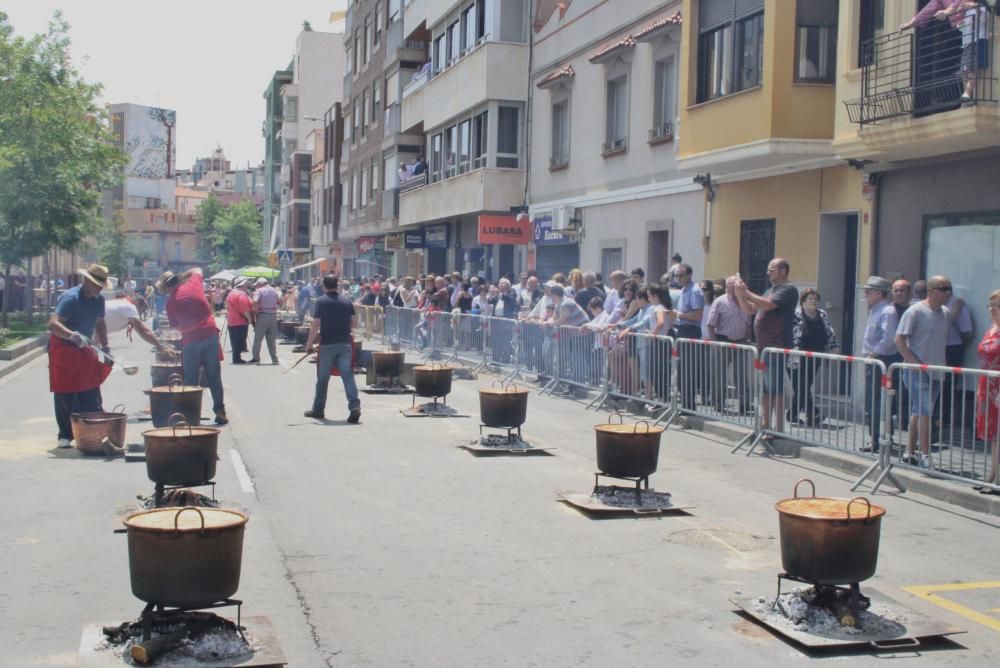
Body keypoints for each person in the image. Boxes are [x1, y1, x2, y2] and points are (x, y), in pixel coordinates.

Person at [47, 264, 113, 448]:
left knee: (90, 385)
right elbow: (53, 324)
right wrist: (71, 335)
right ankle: (65, 434)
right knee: (65, 391)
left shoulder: (99, 299)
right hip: (63, 347)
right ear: (85, 280)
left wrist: (106, 347)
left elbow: (100, 323)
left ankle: (91, 429)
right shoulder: (70, 299)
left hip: (84, 347)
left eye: (101, 285)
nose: (98, 288)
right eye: (95, 284)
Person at [736, 258, 798, 436]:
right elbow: (750, 309)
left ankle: (777, 429)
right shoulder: (769, 290)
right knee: (765, 387)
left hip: (777, 345)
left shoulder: (788, 289)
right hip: (764, 347)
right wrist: (740, 294)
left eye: (772, 269)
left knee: (776, 388)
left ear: (783, 271)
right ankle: (764, 425)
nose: (768, 273)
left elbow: (768, 305)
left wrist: (746, 292)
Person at [157, 268, 228, 425]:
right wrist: (183, 275)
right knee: (214, 376)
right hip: (210, 336)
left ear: (168, 287)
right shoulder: (194, 282)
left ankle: (191, 415)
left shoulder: (171, 302)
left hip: (191, 341)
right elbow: (197, 269)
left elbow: (176, 327)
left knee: (191, 379)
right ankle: (220, 411)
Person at [896, 275, 953, 468]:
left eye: (949, 288)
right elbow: (900, 340)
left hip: (937, 369)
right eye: (943, 288)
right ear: (931, 291)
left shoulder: (945, 312)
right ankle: (925, 454)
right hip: (917, 370)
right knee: (925, 411)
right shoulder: (915, 311)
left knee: (918, 411)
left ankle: (908, 452)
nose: (948, 292)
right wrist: (913, 364)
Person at [304, 276, 361, 423]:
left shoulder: (321, 301)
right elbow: (355, 323)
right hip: (345, 344)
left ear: (324, 286)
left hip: (327, 345)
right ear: (337, 285)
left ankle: (318, 410)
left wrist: (309, 345)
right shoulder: (346, 301)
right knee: (347, 376)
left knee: (323, 379)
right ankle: (355, 407)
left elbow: (316, 324)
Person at [861, 276, 900, 452]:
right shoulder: (875, 310)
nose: (865, 294)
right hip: (875, 360)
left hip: (881, 360)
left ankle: (880, 438)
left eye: (868, 291)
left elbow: (888, 338)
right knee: (872, 401)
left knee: (877, 401)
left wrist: (874, 353)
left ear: (879, 293)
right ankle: (876, 437)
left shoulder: (887, 311)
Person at [790, 289, 839, 427]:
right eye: (810, 299)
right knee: (801, 386)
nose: (814, 301)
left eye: (815, 299)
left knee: (804, 386)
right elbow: (791, 335)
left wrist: (834, 347)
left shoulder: (822, 314)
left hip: (815, 355)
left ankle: (798, 415)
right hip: (796, 357)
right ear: (803, 301)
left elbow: (830, 332)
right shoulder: (796, 314)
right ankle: (811, 414)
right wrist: (795, 350)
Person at [707, 276, 754, 414]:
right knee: (719, 375)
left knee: (741, 374)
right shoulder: (719, 302)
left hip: (741, 342)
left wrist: (748, 339)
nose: (734, 289)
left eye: (736, 286)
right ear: (726, 287)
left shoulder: (745, 301)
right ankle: (718, 403)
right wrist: (714, 342)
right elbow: (710, 324)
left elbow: (749, 322)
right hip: (723, 341)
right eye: (731, 286)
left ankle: (744, 404)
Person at [975, 289, 1000, 493]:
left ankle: (996, 478)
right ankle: (993, 474)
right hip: (987, 383)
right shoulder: (992, 328)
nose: (992, 309)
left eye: (997, 306)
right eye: (990, 305)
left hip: (998, 386)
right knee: (993, 434)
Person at [672, 263, 704, 410]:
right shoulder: (684, 290)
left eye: (681, 275)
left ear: (689, 275)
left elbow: (697, 315)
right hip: (682, 329)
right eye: (676, 275)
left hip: (690, 330)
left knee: (688, 369)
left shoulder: (695, 291)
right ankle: (685, 404)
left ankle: (689, 406)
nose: (678, 278)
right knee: (682, 369)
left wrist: (679, 314)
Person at [250, 277, 280, 365]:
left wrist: (256, 310)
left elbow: (255, 301)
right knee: (271, 339)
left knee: (258, 338)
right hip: (273, 316)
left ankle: (256, 358)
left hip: (263, 315)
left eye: (257, 285)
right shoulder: (274, 290)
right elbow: (280, 301)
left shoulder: (259, 291)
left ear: (261, 284)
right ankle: (274, 358)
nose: (257, 287)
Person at [226, 279, 254, 364]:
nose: (247, 287)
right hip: (240, 320)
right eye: (246, 285)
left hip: (231, 320)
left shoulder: (230, 293)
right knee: (240, 340)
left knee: (234, 340)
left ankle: (236, 357)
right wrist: (250, 319)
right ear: (242, 285)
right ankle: (237, 358)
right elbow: (244, 309)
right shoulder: (241, 294)